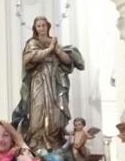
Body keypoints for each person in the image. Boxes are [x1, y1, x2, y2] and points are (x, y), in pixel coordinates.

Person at [12, 16, 84, 152]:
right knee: (38, 109)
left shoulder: (54, 42)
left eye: (43, 25)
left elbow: (68, 61)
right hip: (39, 80)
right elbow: (29, 58)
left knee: (55, 111)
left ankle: (55, 140)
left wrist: (56, 49)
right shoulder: (32, 42)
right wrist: (49, 50)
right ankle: (36, 141)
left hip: (55, 81)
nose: (41, 28)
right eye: (38, 26)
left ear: (48, 27)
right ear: (35, 28)